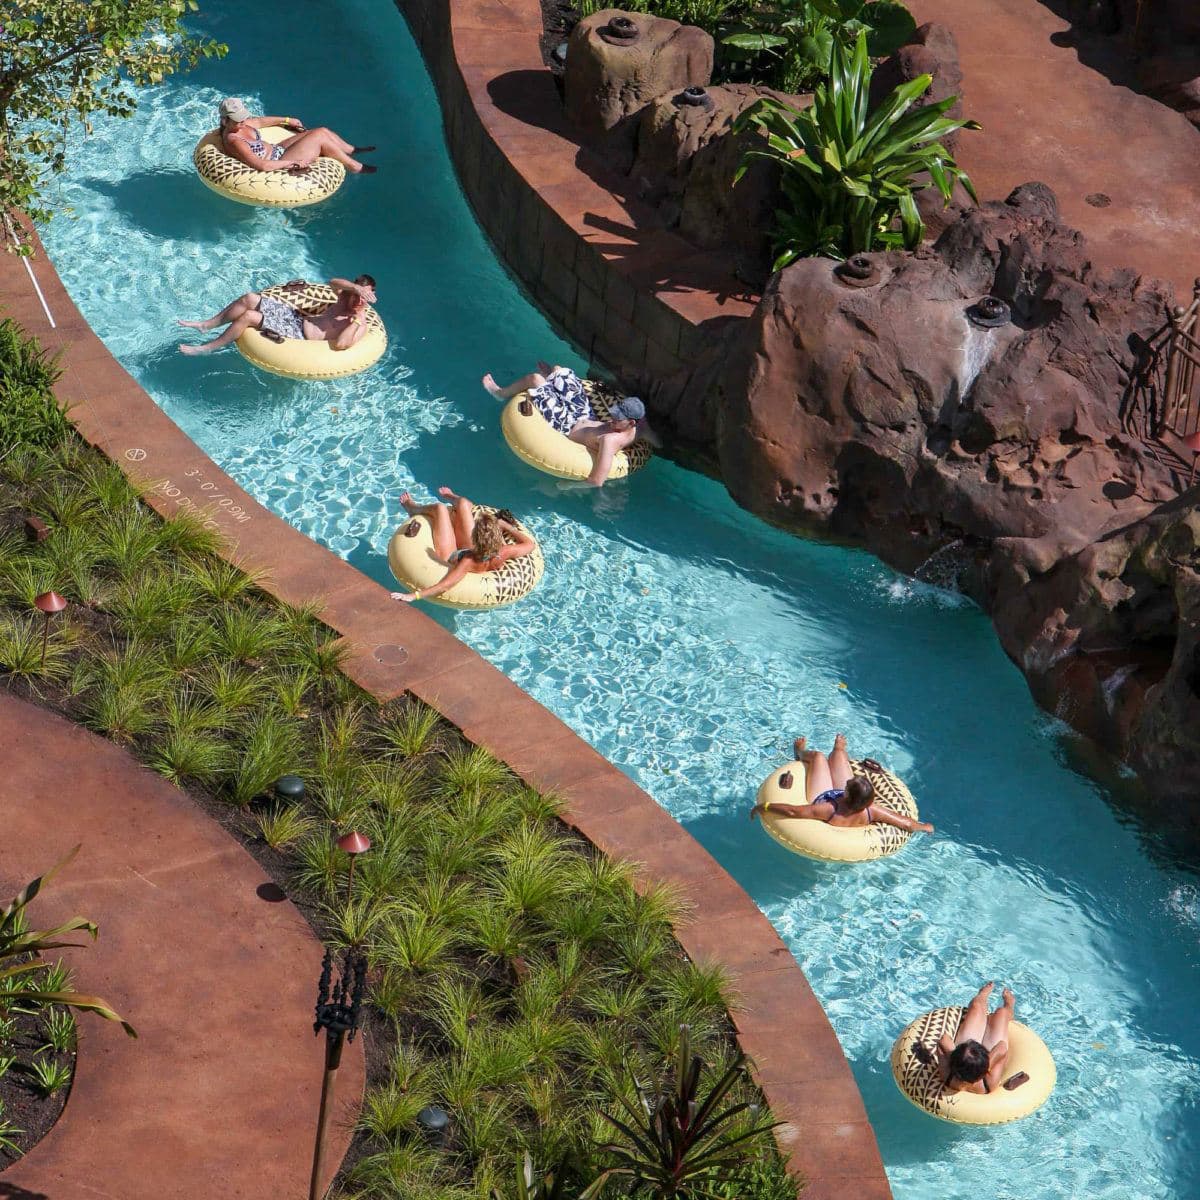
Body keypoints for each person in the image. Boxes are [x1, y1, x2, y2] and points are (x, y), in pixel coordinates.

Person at [482, 362, 660, 487]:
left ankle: (499, 393)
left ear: (630, 422)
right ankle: (551, 377)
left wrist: (567, 486)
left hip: (565, 423)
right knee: (560, 370)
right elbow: (659, 443)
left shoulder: (610, 440)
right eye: (614, 413)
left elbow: (597, 481)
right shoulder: (642, 427)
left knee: (534, 379)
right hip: (585, 414)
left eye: (618, 418)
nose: (613, 418)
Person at [749, 734, 934, 834]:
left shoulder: (828, 809)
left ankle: (801, 753)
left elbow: (793, 811)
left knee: (819, 757)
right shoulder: (872, 810)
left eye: (848, 785)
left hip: (823, 795)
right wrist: (924, 827)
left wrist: (763, 806)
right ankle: (839, 749)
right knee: (838, 754)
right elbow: (905, 823)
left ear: (845, 793)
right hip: (848, 802)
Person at [390, 487, 536, 603]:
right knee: (464, 503)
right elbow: (530, 545)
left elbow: (445, 585)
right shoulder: (504, 552)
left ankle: (412, 509)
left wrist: (412, 596)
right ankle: (452, 497)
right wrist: (507, 527)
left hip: (450, 557)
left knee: (440, 509)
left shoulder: (467, 561)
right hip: (478, 550)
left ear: (475, 536)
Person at [177, 276, 377, 355]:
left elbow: (341, 344)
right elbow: (333, 282)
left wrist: (356, 319)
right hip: (296, 319)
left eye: (364, 297)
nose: (359, 300)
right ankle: (207, 325)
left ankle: (207, 348)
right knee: (249, 298)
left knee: (249, 316)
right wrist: (355, 288)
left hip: (299, 335)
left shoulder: (360, 324)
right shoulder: (345, 297)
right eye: (358, 294)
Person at [215, 97, 376, 175]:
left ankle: (351, 149)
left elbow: (261, 121)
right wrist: (294, 162)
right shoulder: (234, 141)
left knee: (322, 129)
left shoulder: (242, 124)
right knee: (319, 137)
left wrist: (287, 120)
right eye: (237, 119)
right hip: (277, 161)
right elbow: (262, 166)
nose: (243, 121)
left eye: (243, 116)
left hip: (277, 150)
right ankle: (354, 167)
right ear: (224, 120)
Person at [932, 982, 1021, 1095]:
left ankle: (982, 995)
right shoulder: (988, 1084)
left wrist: (957, 1059)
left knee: (976, 1006)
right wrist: (986, 1066)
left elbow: (943, 1040)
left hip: (970, 1063)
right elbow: (1002, 1047)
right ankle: (1009, 1006)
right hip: (989, 1056)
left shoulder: (948, 1076)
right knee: (1001, 1013)